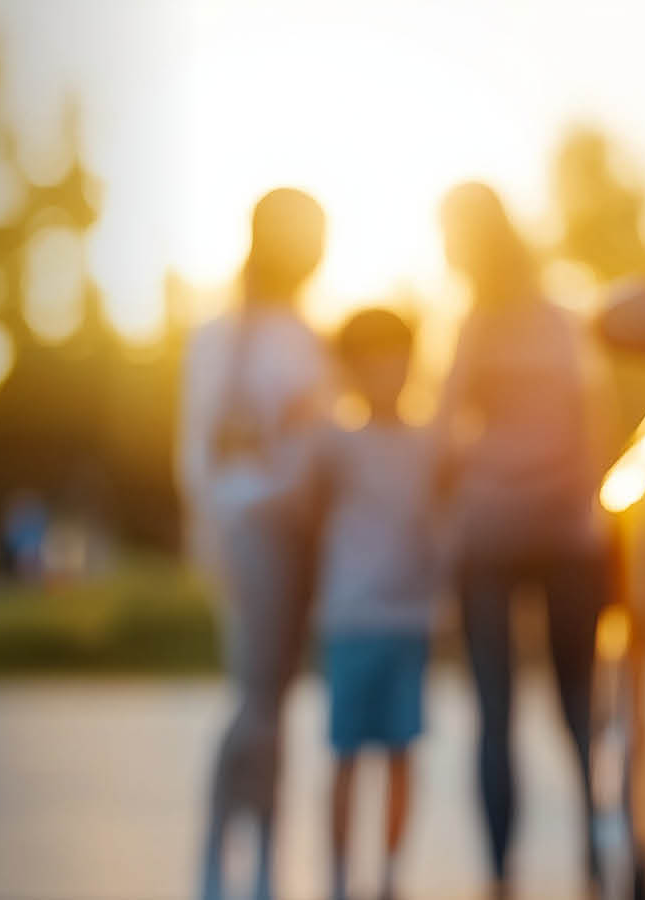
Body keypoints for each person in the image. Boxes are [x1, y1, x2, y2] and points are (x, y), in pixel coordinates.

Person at [431, 181, 617, 896]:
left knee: (497, 709)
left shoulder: (475, 327)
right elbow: (593, 420)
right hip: (565, 529)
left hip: (493, 531)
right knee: (576, 701)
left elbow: (446, 432)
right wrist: (581, 493)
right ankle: (595, 857)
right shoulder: (557, 324)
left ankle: (500, 874)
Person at [179, 188, 333, 900]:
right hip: (250, 534)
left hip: (298, 537)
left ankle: (267, 856)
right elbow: (199, 454)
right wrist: (211, 536)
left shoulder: (306, 337)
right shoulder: (223, 338)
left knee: (273, 701)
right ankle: (219, 853)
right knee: (257, 699)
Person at [313, 309, 440, 900]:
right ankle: (339, 878)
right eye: (369, 363)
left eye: (396, 360)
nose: (385, 374)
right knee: (345, 756)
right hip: (350, 620)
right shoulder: (334, 443)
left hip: (409, 620)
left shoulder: (431, 443)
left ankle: (389, 876)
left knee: (398, 755)